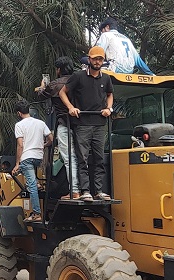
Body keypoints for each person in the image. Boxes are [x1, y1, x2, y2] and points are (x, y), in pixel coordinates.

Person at [59, 46, 114, 201]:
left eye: (100, 59)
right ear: (89, 59)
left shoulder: (106, 78)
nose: (97, 62)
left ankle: (99, 190)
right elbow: (62, 92)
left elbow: (110, 95)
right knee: (82, 158)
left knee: (99, 158)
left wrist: (108, 108)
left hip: (99, 123)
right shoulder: (78, 76)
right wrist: (71, 107)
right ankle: (85, 191)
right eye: (95, 58)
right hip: (82, 123)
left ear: (103, 61)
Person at [37, 56, 80, 199]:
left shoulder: (55, 84)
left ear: (59, 70)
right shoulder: (80, 81)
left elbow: (41, 95)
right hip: (82, 125)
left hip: (64, 123)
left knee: (68, 158)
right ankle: (84, 189)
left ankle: (74, 190)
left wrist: (43, 86)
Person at [12, 100, 53, 222]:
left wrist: (17, 163)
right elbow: (51, 138)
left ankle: (36, 213)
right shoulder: (41, 123)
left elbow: (20, 145)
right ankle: (37, 183)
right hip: (38, 157)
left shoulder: (19, 125)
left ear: (19, 113)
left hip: (27, 158)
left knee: (32, 186)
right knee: (34, 182)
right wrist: (44, 145)